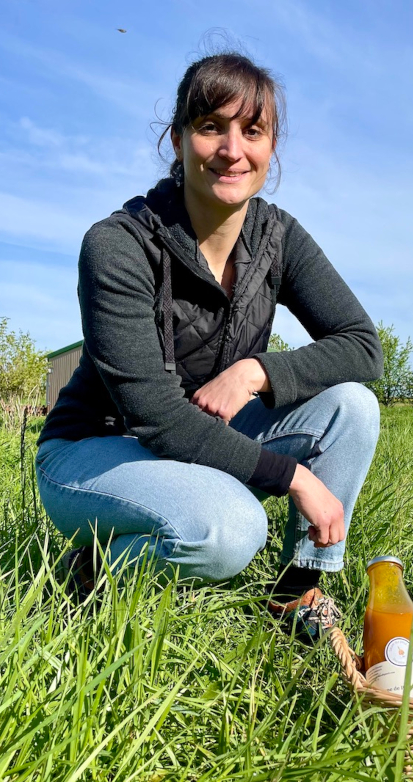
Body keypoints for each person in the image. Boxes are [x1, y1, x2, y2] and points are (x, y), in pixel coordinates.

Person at [33, 51, 382, 641]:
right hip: (94, 452)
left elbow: (362, 346)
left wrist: (255, 371)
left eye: (253, 130)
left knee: (352, 406)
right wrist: (291, 475)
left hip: (193, 441)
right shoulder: (118, 245)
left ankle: (298, 593)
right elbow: (154, 416)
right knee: (230, 530)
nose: (232, 150)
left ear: (271, 147)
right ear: (177, 139)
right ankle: (93, 568)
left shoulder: (279, 237)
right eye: (210, 127)